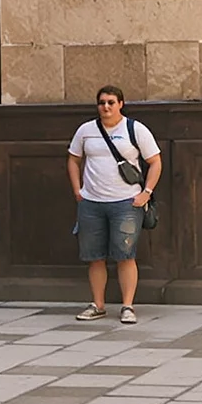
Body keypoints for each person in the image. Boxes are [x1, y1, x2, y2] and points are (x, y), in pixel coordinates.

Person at [69, 86, 162, 326]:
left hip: (126, 203)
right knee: (94, 257)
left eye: (111, 102)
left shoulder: (135, 129)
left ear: (121, 103)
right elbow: (73, 158)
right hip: (92, 202)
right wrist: (77, 190)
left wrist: (146, 193)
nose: (106, 107)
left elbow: (155, 162)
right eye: (102, 102)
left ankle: (127, 306)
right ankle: (97, 305)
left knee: (125, 255)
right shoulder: (86, 130)